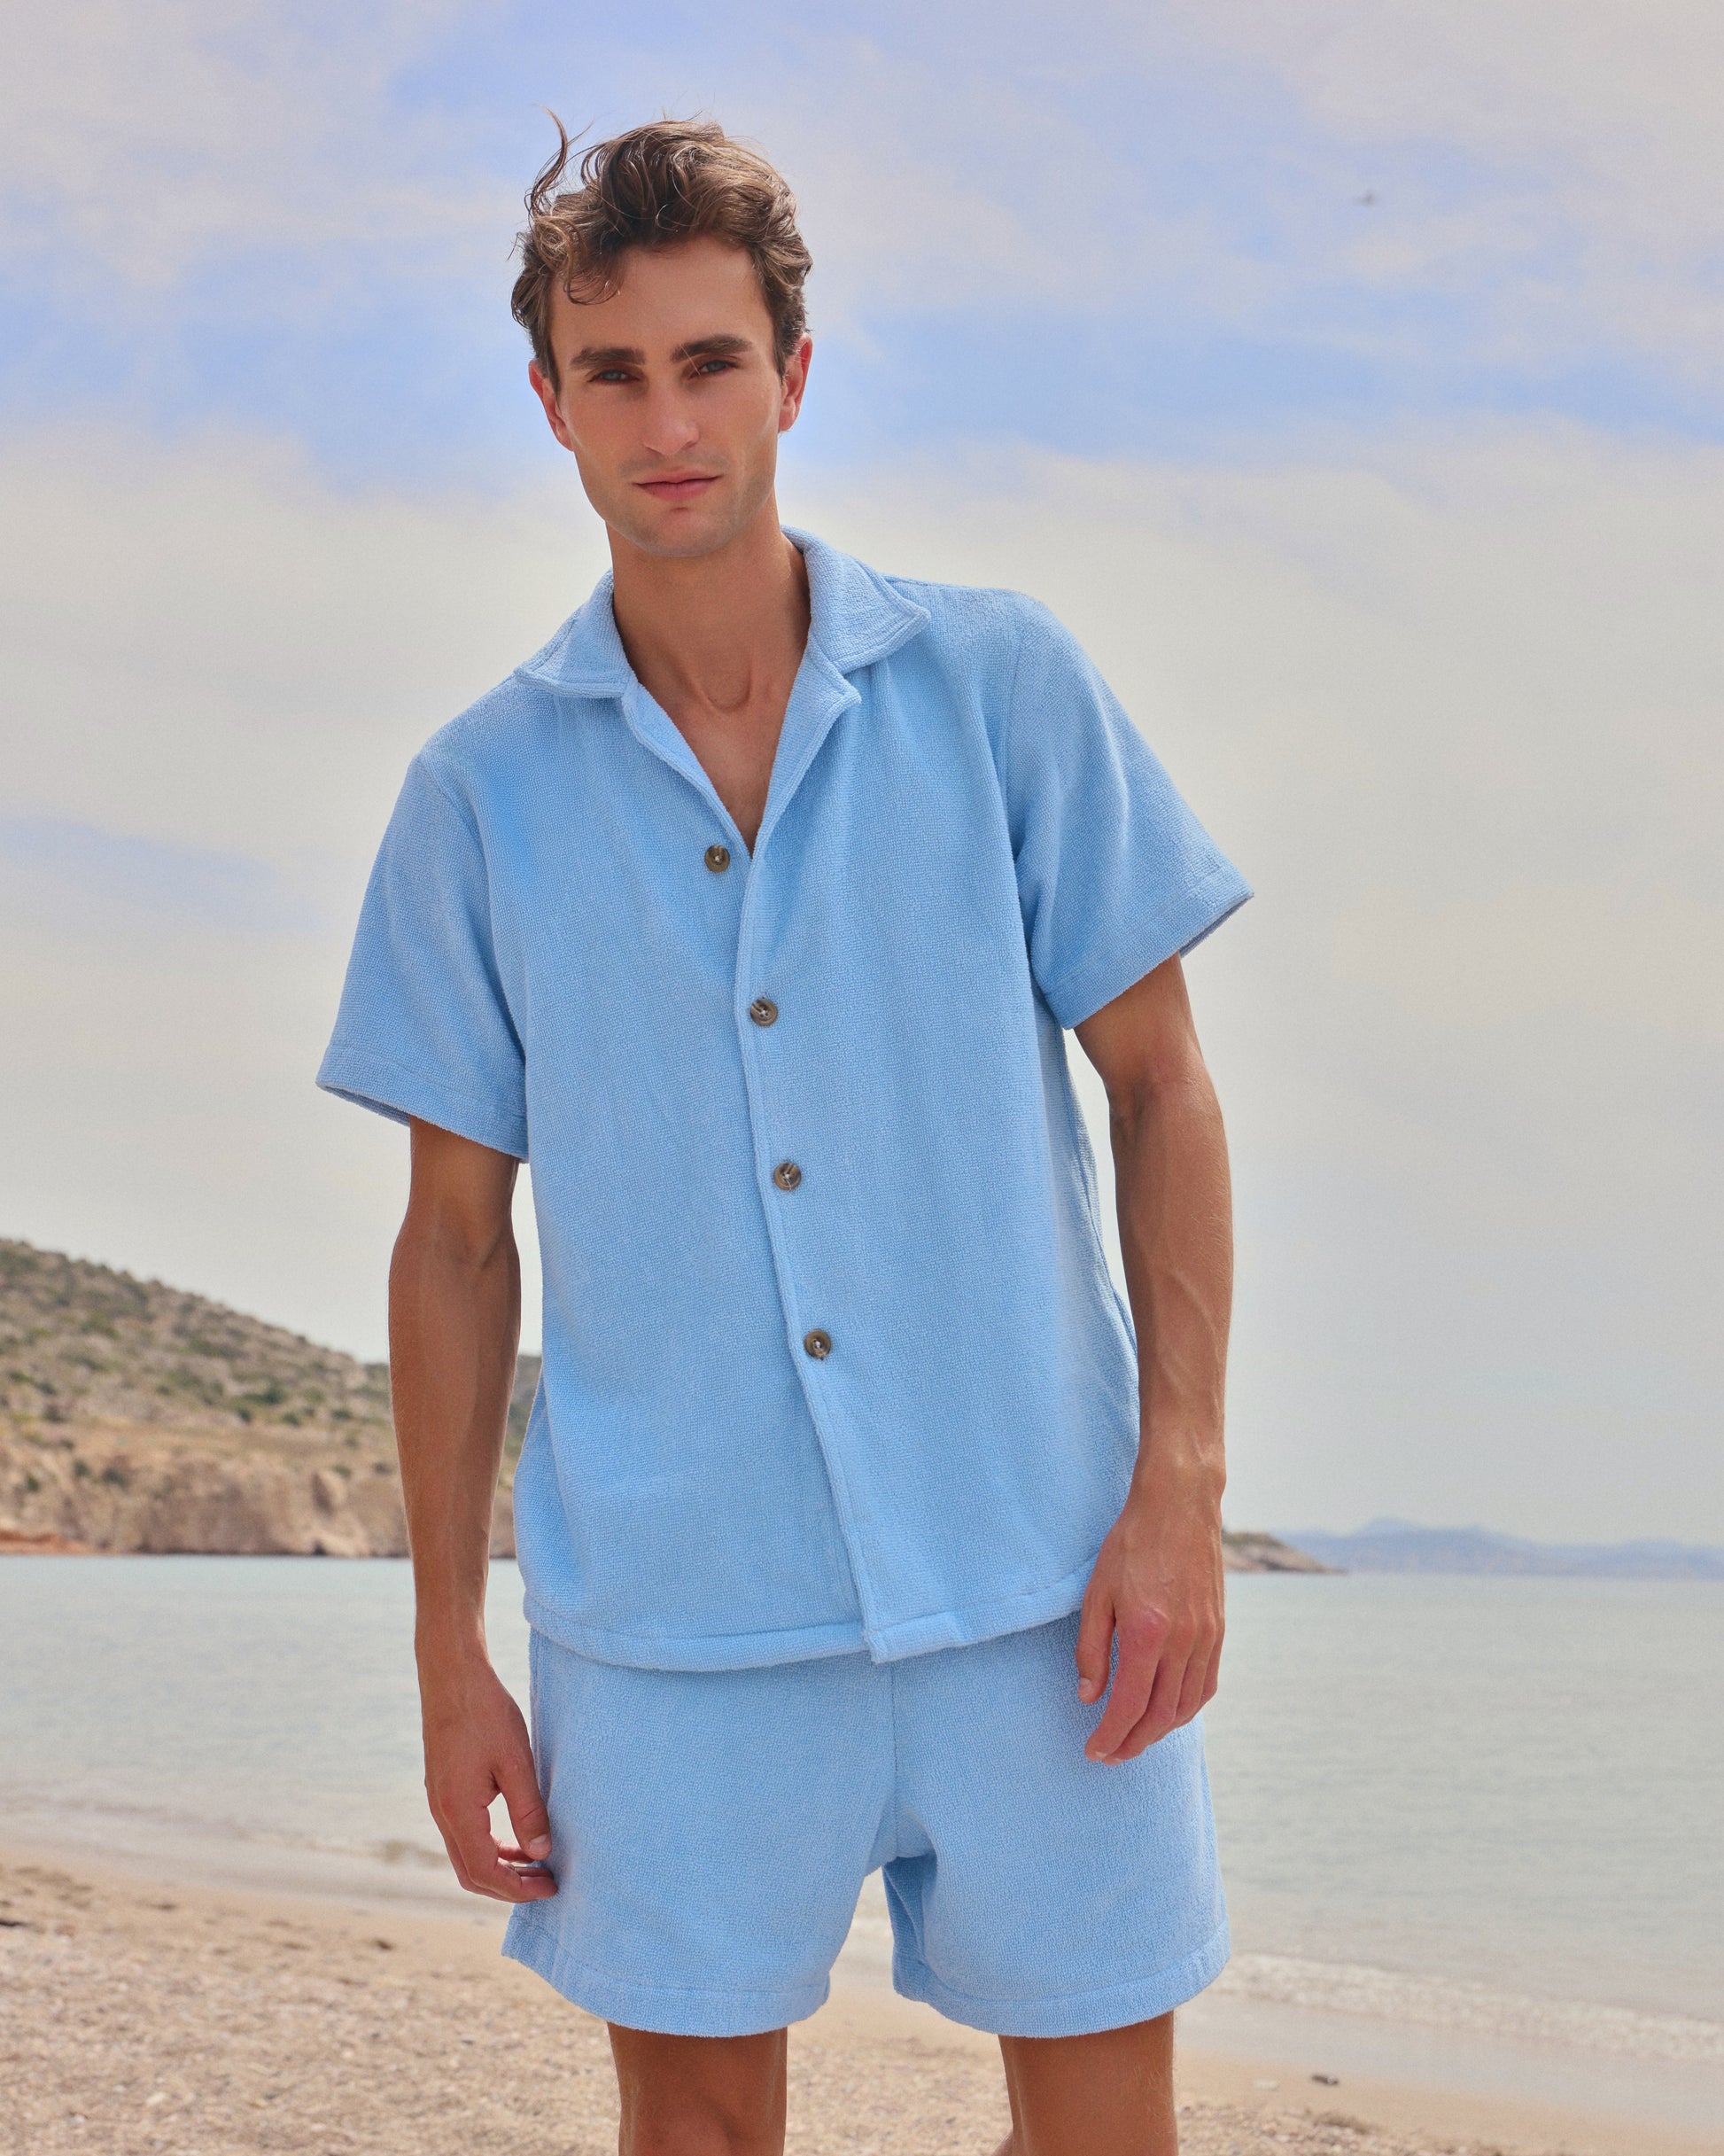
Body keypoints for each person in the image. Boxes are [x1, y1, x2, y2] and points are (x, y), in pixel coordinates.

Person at [318, 116, 1250, 2156]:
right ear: (549, 402)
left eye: (709, 359)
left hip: (1041, 1580)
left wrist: (1178, 1478)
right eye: (615, 371)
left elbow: (1163, 1081)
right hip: (676, 1618)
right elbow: (454, 1242)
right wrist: (446, 1649)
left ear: (794, 374)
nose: (668, 419)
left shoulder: (1002, 687)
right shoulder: (475, 798)